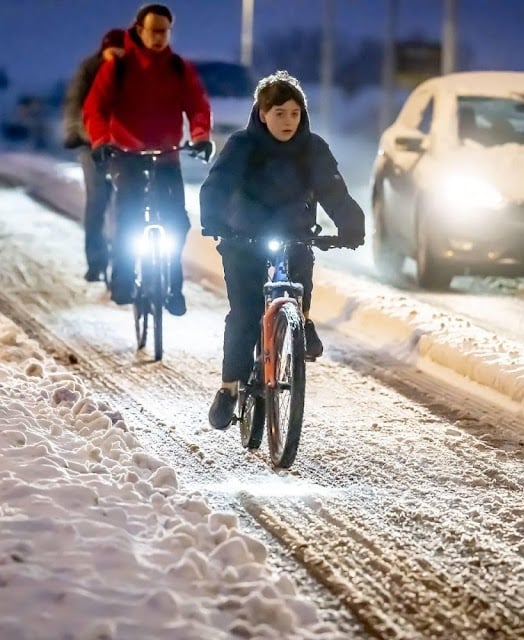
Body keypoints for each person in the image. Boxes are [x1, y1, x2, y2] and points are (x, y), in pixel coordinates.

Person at [198, 70, 365, 430]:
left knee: (300, 266)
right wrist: (213, 219)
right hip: (243, 238)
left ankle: (301, 318)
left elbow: (333, 190)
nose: (288, 121)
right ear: (262, 113)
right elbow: (217, 185)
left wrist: (352, 224)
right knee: (244, 315)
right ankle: (228, 388)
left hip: (294, 233)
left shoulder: (313, 148)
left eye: (295, 113)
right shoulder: (242, 145)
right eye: (279, 113)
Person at [82, 3, 214, 315]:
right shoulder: (119, 66)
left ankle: (173, 286)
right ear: (139, 30)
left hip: (167, 156)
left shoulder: (178, 68)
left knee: (176, 222)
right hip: (127, 155)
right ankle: (124, 279)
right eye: (153, 30)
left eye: (164, 31)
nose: (158, 37)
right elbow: (95, 108)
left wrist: (200, 135)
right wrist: (101, 140)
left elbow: (197, 104)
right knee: (128, 215)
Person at [62, 28, 125, 283]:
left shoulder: (130, 72)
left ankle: (123, 263)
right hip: (92, 145)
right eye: (113, 51)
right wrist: (78, 133)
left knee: (124, 206)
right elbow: (76, 104)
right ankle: (96, 261)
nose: (116, 57)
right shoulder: (89, 70)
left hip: (123, 147)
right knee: (98, 202)